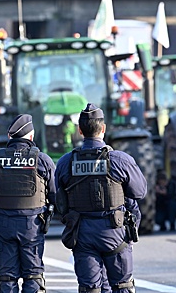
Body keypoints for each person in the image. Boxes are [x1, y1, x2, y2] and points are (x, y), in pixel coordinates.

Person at [55, 103, 147, 293]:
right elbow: (139, 192)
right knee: (122, 287)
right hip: (115, 233)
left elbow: (60, 202)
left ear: (80, 131)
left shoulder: (65, 162)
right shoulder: (120, 160)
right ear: (103, 129)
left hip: (82, 235)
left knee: (90, 289)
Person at [0, 114, 56, 293]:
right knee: (33, 276)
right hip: (33, 227)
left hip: (3, 226)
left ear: (10, 136)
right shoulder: (42, 160)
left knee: (7, 277)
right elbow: (58, 197)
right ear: (31, 137)